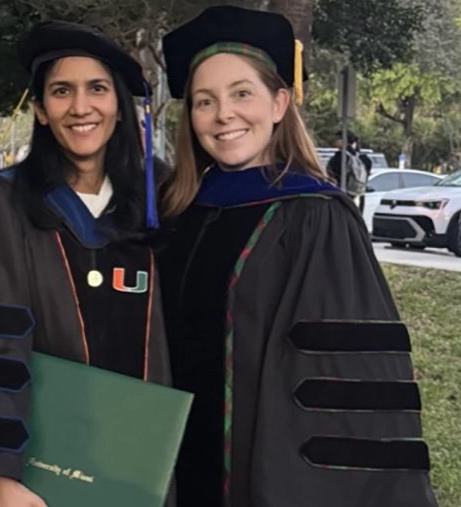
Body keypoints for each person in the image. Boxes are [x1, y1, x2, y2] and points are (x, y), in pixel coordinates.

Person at [157, 6, 438, 507]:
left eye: (242, 93)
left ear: (280, 102)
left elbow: (341, 379)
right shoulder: (180, 214)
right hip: (169, 469)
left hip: (261, 476)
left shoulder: (315, 217)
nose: (224, 114)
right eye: (205, 101)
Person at [0, 20, 171, 507]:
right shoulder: (0, 204)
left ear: (121, 107)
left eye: (98, 89)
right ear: (41, 111)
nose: (81, 107)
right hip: (34, 478)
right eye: (61, 91)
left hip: (146, 464)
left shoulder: (164, 200)